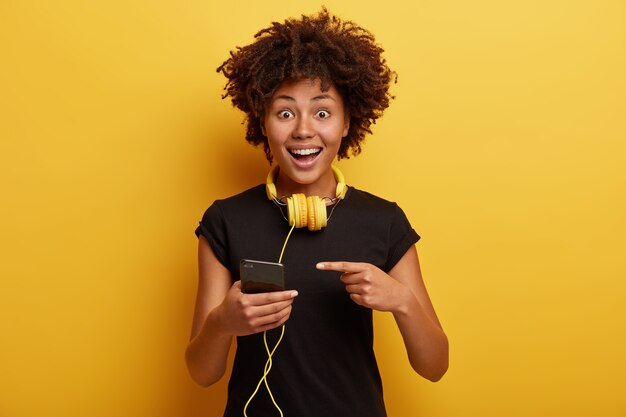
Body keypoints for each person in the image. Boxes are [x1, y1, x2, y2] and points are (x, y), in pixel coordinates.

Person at [185, 8, 448, 417]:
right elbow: (202, 373)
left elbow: (434, 367)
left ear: (346, 123)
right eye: (285, 112)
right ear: (264, 121)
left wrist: (402, 302)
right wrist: (222, 323)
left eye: (322, 112)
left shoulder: (385, 220)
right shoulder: (225, 221)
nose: (304, 129)